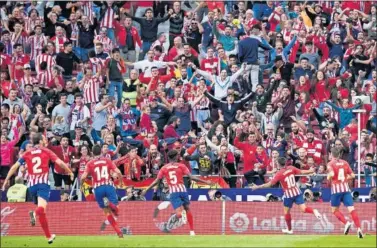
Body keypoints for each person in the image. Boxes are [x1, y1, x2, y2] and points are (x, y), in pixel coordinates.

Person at [2, 133, 73, 244]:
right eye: (43, 139)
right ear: (40, 141)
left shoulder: (27, 153)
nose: (45, 141)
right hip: (42, 184)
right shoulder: (46, 151)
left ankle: (49, 237)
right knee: (40, 209)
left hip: (31, 186)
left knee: (42, 212)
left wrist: (6, 180)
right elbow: (60, 163)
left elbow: (15, 167)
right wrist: (70, 172)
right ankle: (34, 214)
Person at [141, 149, 213, 236]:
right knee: (187, 209)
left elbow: (157, 181)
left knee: (179, 214)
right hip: (182, 190)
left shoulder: (164, 168)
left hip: (173, 192)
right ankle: (192, 231)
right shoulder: (181, 166)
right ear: (176, 157)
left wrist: (146, 189)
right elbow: (192, 177)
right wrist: (206, 182)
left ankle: (179, 216)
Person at [251, 157, 322, 234]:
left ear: (278, 164)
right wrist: (310, 171)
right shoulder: (291, 168)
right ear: (285, 163)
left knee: (286, 212)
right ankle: (314, 211)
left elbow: (269, 184)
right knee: (304, 209)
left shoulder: (279, 173)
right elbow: (301, 172)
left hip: (288, 195)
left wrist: (257, 187)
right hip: (297, 192)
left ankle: (289, 229)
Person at [80, 145, 124, 238]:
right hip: (108, 186)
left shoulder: (90, 163)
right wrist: (120, 182)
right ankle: (111, 205)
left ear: (92, 152)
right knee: (116, 209)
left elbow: (83, 177)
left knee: (107, 212)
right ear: (101, 151)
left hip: (98, 188)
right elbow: (119, 172)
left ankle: (119, 232)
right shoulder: (107, 160)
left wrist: (81, 186)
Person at [327, 147, 364, 238]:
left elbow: (331, 174)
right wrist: (344, 178)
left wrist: (328, 177)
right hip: (346, 189)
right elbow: (353, 175)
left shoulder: (330, 163)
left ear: (331, 154)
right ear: (339, 154)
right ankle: (359, 229)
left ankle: (346, 223)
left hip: (336, 191)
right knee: (351, 209)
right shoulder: (345, 163)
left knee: (334, 210)